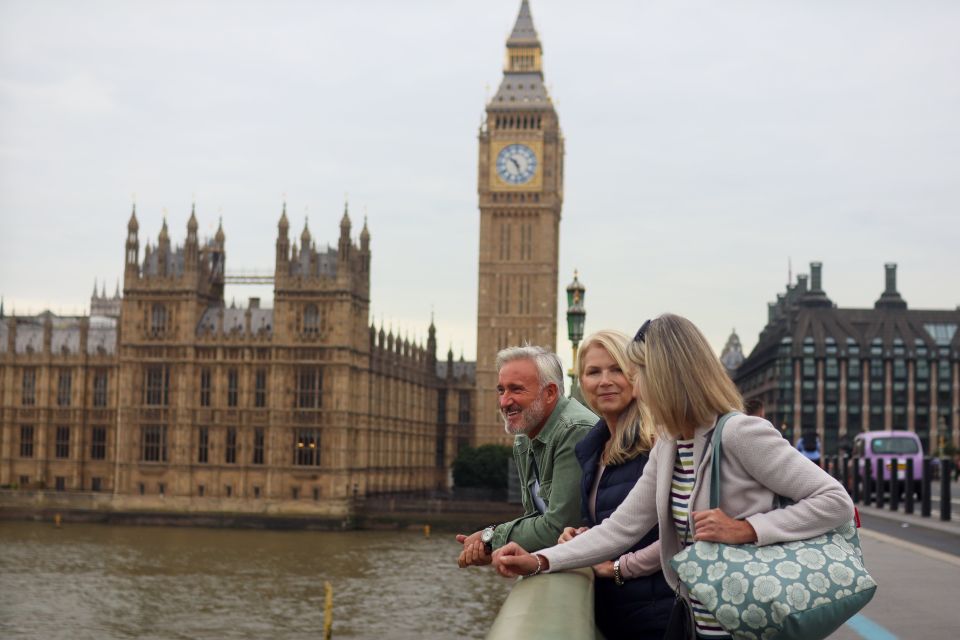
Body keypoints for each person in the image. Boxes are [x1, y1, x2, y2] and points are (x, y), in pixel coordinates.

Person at [492, 314, 854, 639]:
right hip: (695, 624)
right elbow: (621, 528)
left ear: (665, 376)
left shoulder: (739, 433)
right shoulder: (670, 444)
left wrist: (748, 529)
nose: (635, 387)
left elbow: (836, 502)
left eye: (636, 376)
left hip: (748, 622)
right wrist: (541, 560)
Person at [566, 330, 671, 640]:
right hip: (617, 615)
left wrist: (620, 569)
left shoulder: (659, 442)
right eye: (594, 372)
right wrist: (581, 534)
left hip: (658, 614)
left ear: (636, 377)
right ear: (582, 382)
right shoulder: (593, 449)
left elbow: (682, 534)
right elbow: (609, 522)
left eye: (616, 370)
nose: (605, 381)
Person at [456, 345, 597, 569]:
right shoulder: (525, 438)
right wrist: (492, 549)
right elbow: (534, 517)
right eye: (501, 390)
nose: (504, 402)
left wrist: (491, 538)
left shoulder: (574, 431)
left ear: (550, 393)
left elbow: (559, 527)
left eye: (516, 390)